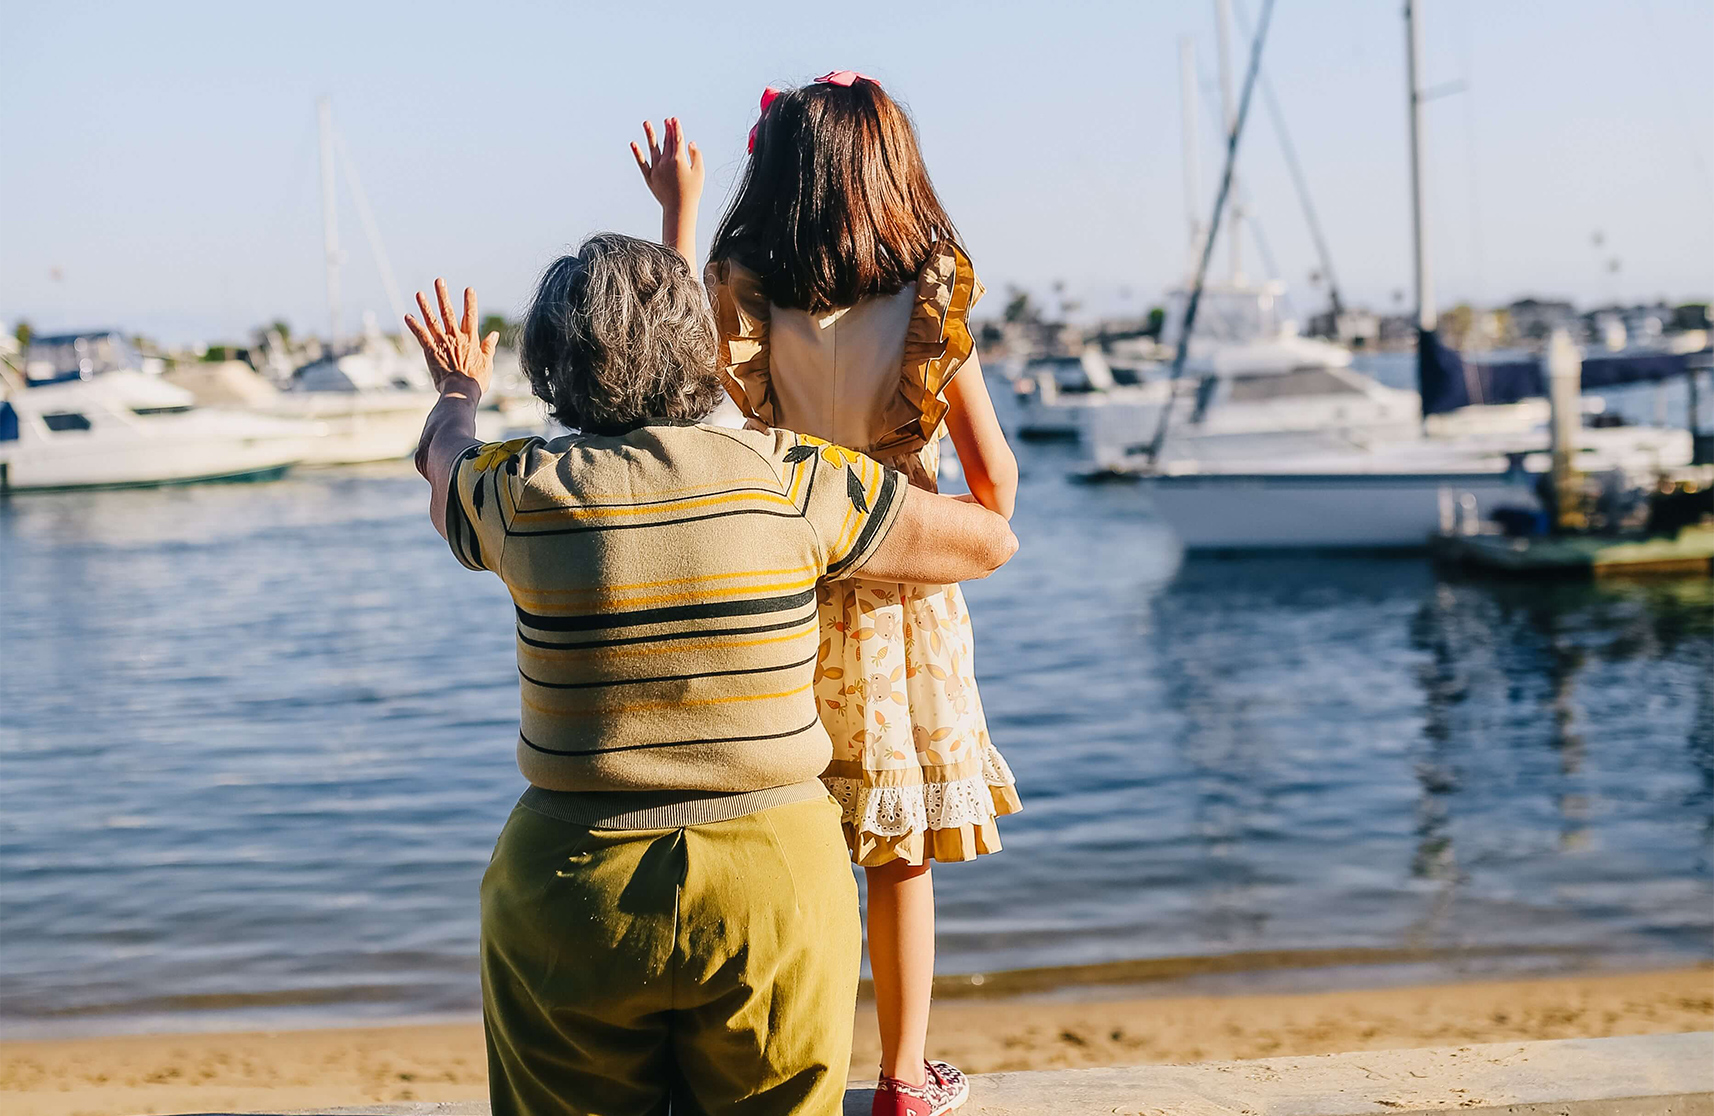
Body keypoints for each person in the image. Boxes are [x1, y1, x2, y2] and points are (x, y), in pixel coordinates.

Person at [405, 234, 1017, 1116]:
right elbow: (989, 541)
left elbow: (440, 460)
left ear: (551, 367)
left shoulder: (520, 492)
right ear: (698, 351)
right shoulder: (792, 479)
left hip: (573, 888)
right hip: (775, 887)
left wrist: (458, 390)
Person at [629, 74, 1021, 1116]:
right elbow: (997, 482)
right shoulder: (931, 293)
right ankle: (901, 1078)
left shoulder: (744, 286)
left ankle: (766, 1064)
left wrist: (674, 211)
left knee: (782, 837)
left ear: (778, 171)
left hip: (781, 579)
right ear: (892, 167)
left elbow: (674, 376)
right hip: (901, 587)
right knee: (897, 857)